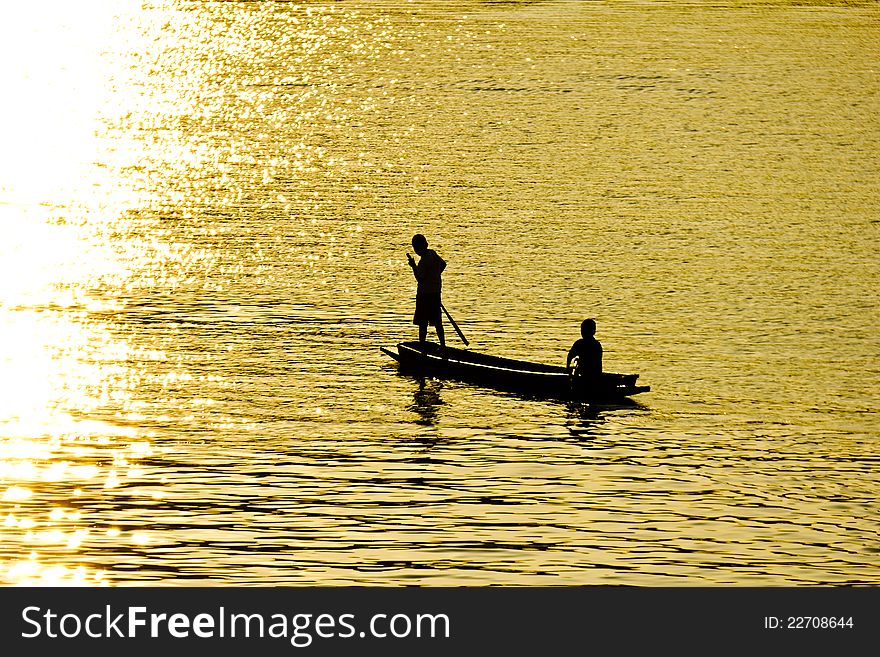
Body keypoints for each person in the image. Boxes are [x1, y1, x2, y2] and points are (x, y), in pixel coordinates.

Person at [407, 234, 447, 349]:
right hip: (435, 293)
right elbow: (443, 264)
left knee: (422, 322)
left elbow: (420, 278)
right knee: (438, 322)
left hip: (425, 296)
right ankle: (443, 345)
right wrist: (434, 276)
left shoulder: (423, 261)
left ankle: (422, 346)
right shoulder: (433, 253)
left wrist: (413, 266)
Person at [567, 318, 603, 382]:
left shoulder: (580, 343)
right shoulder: (597, 344)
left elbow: (570, 356)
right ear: (594, 331)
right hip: (596, 375)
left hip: (585, 375)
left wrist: (568, 369)